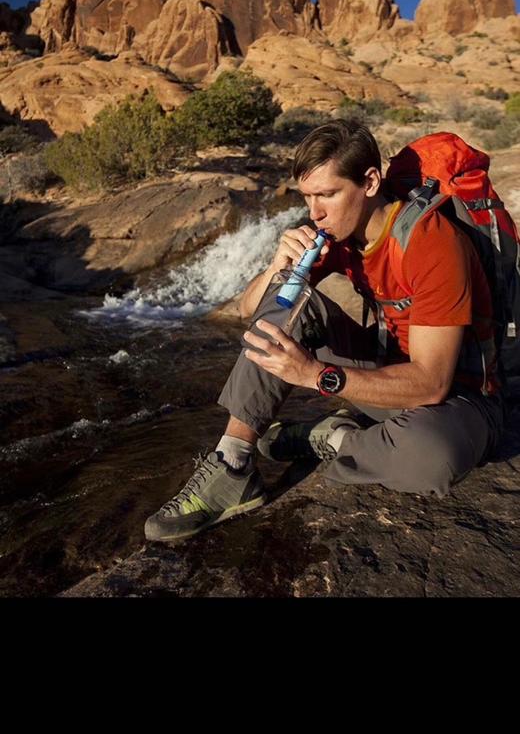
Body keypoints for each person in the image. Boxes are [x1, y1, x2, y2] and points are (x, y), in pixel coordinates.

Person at [144, 118, 505, 543]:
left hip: (459, 399)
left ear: (370, 182)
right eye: (307, 197)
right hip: (383, 377)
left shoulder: (429, 241)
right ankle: (232, 463)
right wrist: (275, 267)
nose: (314, 212)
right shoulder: (334, 234)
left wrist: (314, 375)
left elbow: (432, 384)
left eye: (327, 195)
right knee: (293, 302)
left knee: (432, 459)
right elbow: (250, 310)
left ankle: (335, 437)